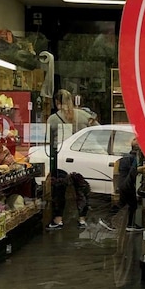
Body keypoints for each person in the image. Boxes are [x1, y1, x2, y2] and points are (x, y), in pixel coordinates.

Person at [45, 89, 97, 230]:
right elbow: (98, 131)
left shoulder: (53, 119)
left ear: (57, 102)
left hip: (62, 158)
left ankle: (58, 220)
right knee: (81, 189)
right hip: (82, 157)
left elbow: (48, 141)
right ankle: (82, 219)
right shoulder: (84, 116)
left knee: (59, 190)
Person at [101, 137, 145, 232]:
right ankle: (108, 219)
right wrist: (141, 170)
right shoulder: (133, 159)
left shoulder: (127, 157)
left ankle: (129, 224)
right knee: (129, 204)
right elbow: (133, 172)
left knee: (129, 204)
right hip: (127, 185)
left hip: (123, 184)